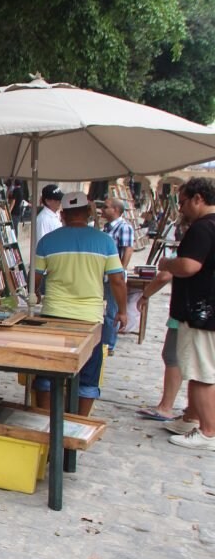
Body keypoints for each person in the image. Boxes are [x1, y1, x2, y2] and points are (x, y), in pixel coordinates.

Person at [32, 191, 127, 415]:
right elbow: (117, 280)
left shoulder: (47, 241)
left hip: (54, 315)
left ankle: (44, 418)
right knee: (88, 375)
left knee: (47, 370)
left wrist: (35, 293)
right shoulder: (105, 242)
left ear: (63, 215)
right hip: (89, 318)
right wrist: (122, 311)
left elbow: (35, 278)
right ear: (88, 212)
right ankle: (78, 421)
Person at [157, 177, 215, 450]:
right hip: (204, 310)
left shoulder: (203, 228)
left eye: (182, 202)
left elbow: (190, 266)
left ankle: (207, 431)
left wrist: (168, 263)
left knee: (201, 372)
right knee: (198, 366)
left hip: (200, 312)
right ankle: (192, 417)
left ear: (198, 199)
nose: (180, 209)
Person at [134, 271, 186, 422]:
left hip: (187, 313)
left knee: (172, 357)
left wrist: (145, 295)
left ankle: (166, 407)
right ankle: (195, 409)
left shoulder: (192, 252)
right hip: (199, 313)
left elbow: (165, 275)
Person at [100, 197, 135, 354]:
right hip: (104, 275)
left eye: (106, 207)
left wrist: (120, 270)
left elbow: (127, 249)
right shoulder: (107, 227)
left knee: (112, 311)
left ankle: (109, 344)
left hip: (114, 276)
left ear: (116, 210)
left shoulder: (124, 227)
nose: (103, 210)